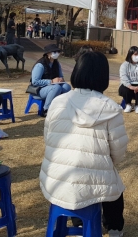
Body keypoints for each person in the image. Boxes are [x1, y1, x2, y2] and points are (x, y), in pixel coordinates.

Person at [40, 51, 128, 237]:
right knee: (114, 189)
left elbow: (48, 138)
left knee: (87, 185)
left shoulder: (57, 102)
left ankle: (79, 223)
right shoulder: (111, 108)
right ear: (103, 76)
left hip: (56, 178)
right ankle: (114, 229)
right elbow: (118, 153)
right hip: (92, 177)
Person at [30, 43, 72, 116]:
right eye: (54, 52)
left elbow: (61, 76)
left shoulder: (57, 64)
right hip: (39, 89)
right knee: (56, 88)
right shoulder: (40, 65)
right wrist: (51, 81)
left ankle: (61, 107)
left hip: (53, 86)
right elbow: (35, 81)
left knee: (66, 87)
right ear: (48, 53)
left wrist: (61, 79)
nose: (57, 54)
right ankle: (46, 109)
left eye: (58, 52)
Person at [119, 46, 138, 114]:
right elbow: (123, 77)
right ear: (130, 55)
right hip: (128, 85)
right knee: (124, 88)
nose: (137, 56)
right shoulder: (125, 65)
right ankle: (128, 104)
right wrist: (131, 87)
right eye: (135, 54)